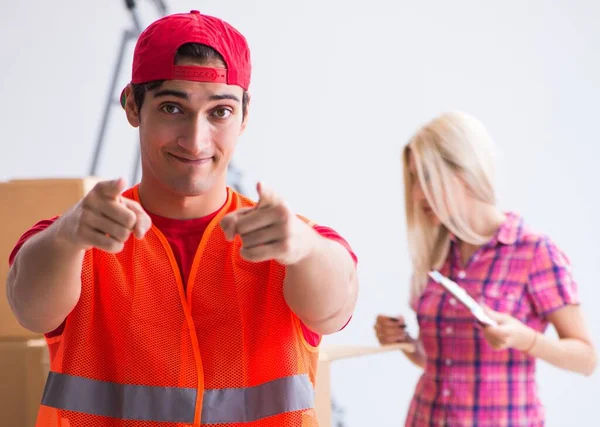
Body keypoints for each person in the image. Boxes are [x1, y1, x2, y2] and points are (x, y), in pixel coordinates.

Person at [6, 10, 359, 427]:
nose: (195, 140)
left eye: (220, 112)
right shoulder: (78, 238)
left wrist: (305, 248)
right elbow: (29, 307)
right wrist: (67, 237)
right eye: (173, 108)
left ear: (244, 115)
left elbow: (335, 308)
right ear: (132, 106)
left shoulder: (288, 240)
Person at [374, 111, 597, 426]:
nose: (416, 195)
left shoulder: (533, 251)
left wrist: (525, 339)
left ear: (465, 173)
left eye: (425, 177)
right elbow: (442, 361)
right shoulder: (437, 255)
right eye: (413, 180)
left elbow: (586, 359)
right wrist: (407, 342)